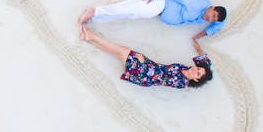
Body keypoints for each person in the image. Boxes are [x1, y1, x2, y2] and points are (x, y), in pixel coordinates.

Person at [79, 25, 213, 89]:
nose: (196, 70)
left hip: (146, 74)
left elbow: (159, 77)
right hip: (151, 66)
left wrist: (142, 63)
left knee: (123, 51)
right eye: (198, 69)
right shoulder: (187, 68)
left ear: (195, 80)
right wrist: (203, 59)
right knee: (119, 53)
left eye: (198, 73)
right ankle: (89, 39)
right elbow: (204, 60)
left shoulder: (181, 83)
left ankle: (92, 36)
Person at [79, 0, 227, 40]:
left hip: (159, 11)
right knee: (131, 10)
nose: (210, 18)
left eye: (213, 18)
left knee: (130, 13)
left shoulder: (205, 20)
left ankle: (97, 16)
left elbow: (219, 24)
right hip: (161, 2)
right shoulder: (197, 4)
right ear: (211, 7)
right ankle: (94, 11)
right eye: (212, 14)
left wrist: (203, 34)